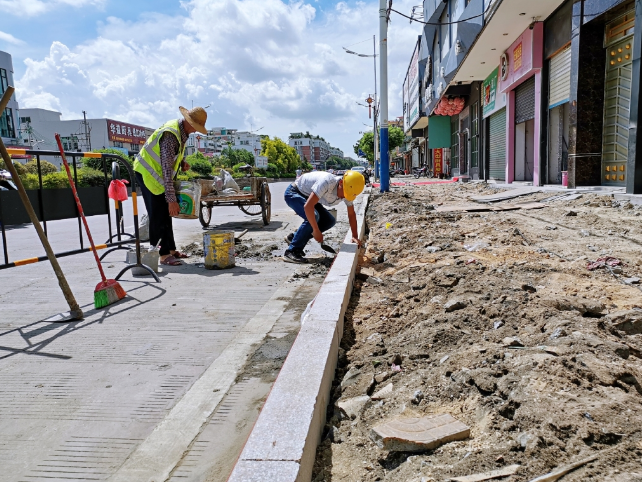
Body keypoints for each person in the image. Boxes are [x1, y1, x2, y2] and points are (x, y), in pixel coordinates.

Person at [133, 106, 208, 266]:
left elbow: (171, 157)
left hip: (158, 172)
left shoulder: (181, 132)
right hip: (148, 173)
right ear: (189, 123)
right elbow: (167, 171)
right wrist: (171, 199)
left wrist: (181, 162)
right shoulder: (171, 136)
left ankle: (171, 249)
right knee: (158, 213)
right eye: (196, 127)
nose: (196, 131)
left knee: (167, 213)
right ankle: (162, 254)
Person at [283, 171, 365, 264]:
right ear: (341, 182)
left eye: (347, 195)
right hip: (295, 193)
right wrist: (316, 230)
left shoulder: (349, 191)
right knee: (314, 217)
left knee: (329, 220)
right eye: (345, 193)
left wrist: (355, 236)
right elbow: (308, 206)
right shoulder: (327, 182)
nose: (343, 197)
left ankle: (294, 238)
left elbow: (351, 214)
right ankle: (291, 252)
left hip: (310, 197)